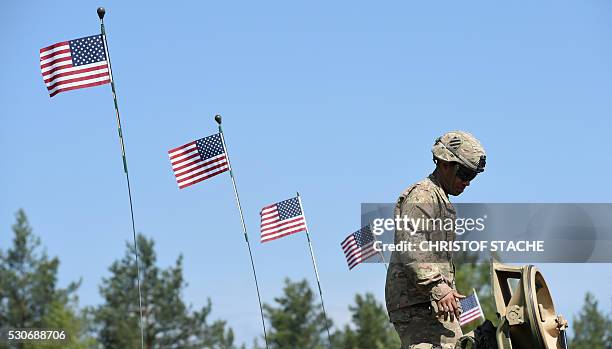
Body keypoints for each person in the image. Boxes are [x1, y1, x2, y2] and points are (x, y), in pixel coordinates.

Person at [385, 131, 486, 349]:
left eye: (472, 176)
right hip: (418, 302)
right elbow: (412, 244)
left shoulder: (439, 198)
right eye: (465, 173)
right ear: (444, 163)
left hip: (429, 301)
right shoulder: (423, 196)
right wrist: (438, 287)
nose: (467, 183)